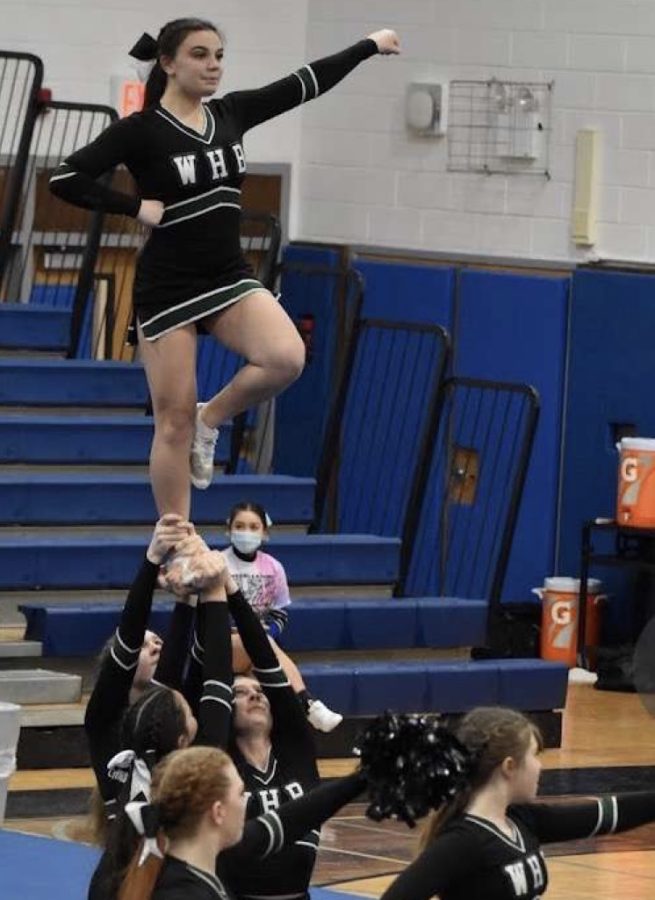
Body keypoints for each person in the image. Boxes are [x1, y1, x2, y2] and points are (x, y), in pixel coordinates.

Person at [49, 18, 401, 520]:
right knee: (171, 423)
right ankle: (177, 534)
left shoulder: (232, 112)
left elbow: (305, 82)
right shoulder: (141, 131)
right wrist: (133, 206)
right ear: (168, 63)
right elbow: (65, 177)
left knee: (286, 357)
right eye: (199, 55)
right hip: (169, 287)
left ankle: (210, 419)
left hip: (226, 275)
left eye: (218, 55)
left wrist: (368, 46)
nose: (213, 65)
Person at [376, 707, 655, 900]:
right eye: (535, 755)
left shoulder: (521, 820)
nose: (540, 766)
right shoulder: (464, 842)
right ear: (509, 766)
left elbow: (606, 816)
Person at [114, 745, 368, 900]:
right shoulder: (183, 893)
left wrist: (363, 777)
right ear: (218, 812)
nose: (248, 802)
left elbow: (285, 821)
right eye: (240, 794)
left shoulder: (196, 861)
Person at [224, 501, 342, 732]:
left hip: (259, 647)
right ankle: (307, 702)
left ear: (264, 533)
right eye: (239, 526)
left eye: (253, 527)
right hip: (224, 642)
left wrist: (271, 630)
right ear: (229, 529)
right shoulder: (218, 562)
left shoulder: (274, 567)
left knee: (261, 645)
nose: (246, 532)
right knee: (258, 641)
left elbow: (279, 612)